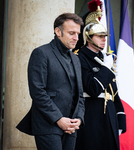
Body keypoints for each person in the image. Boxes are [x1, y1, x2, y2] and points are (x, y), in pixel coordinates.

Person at [16, 13, 85, 150]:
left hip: (71, 127)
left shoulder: (76, 59)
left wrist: (79, 118)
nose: (76, 38)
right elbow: (37, 92)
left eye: (78, 33)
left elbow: (80, 94)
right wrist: (59, 119)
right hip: (47, 125)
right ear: (58, 31)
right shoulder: (41, 53)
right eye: (71, 33)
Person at [74, 1, 126, 150]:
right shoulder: (79, 57)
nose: (104, 39)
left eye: (105, 36)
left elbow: (113, 91)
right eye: (99, 36)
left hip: (109, 114)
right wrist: (106, 69)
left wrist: (120, 116)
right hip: (92, 114)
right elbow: (93, 89)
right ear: (88, 37)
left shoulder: (106, 58)